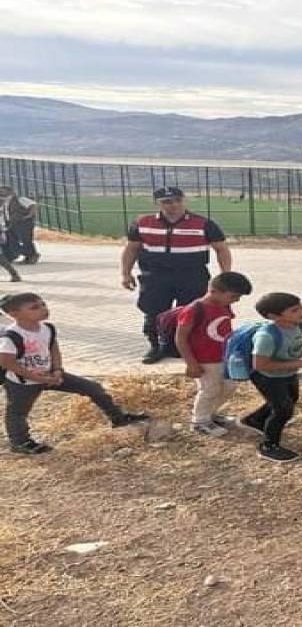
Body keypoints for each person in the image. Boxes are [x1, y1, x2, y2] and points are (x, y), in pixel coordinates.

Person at [0, 293, 149, 454]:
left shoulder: (47, 328)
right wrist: (35, 377)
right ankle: (20, 442)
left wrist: (57, 370)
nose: (43, 309)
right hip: (23, 382)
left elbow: (53, 348)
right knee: (18, 412)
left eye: (43, 304)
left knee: (93, 388)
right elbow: (7, 362)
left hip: (50, 375)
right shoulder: (12, 336)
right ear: (14, 314)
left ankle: (118, 418)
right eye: (34, 307)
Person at [121, 187, 232, 365]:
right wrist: (126, 274)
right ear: (156, 203)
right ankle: (156, 347)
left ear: (183, 200)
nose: (173, 205)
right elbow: (131, 249)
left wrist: (226, 275)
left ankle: (182, 348)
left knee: (190, 313)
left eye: (177, 200)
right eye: (167, 202)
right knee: (153, 312)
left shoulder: (203, 223)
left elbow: (221, 249)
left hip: (192, 276)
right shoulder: (142, 223)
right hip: (155, 276)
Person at [238, 292, 302, 463]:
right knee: (283, 409)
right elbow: (260, 365)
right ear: (274, 316)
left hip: (286, 373)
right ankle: (268, 446)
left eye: (300, 307)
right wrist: (301, 363)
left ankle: (254, 420)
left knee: (290, 399)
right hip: (267, 377)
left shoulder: (295, 324)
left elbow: (297, 340)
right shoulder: (266, 336)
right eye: (294, 310)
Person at [175, 272, 254, 437]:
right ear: (214, 290)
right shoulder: (194, 309)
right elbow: (181, 338)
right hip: (205, 360)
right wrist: (191, 363)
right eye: (233, 296)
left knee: (229, 386)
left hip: (224, 357)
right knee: (209, 389)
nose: (236, 300)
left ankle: (211, 413)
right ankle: (200, 422)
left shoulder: (223, 305)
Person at [0, 186, 38, 265]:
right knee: (12, 242)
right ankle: (28, 255)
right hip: (11, 224)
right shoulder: (5, 201)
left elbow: (33, 205)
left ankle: (31, 256)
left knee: (25, 240)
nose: (0, 192)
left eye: (2, 191)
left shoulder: (19, 199)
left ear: (9, 191)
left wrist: (29, 216)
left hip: (22, 223)